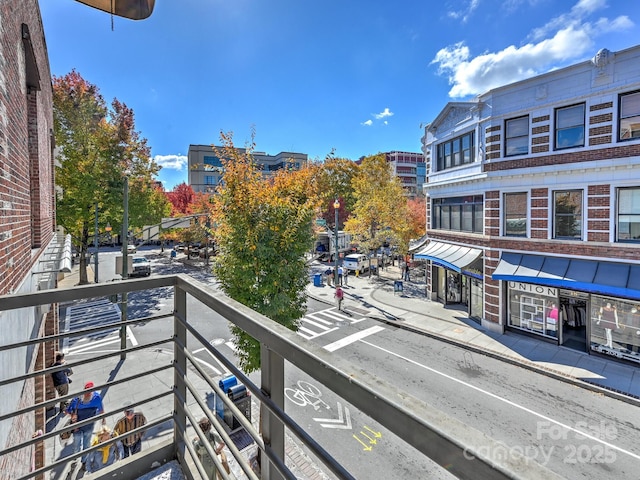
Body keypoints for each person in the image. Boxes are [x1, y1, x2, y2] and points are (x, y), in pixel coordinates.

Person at [66, 381, 105, 471]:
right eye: (87, 392)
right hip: (77, 427)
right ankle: (75, 458)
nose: (88, 394)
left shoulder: (96, 398)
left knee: (86, 445)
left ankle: (84, 462)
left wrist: (103, 421)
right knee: (76, 444)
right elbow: (67, 410)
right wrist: (72, 415)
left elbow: (101, 409)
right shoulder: (77, 400)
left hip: (89, 426)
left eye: (90, 392)